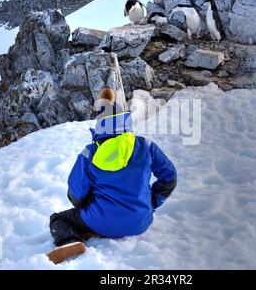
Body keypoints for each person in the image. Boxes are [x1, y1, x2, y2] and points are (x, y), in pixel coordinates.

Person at [47, 87, 177, 264]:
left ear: (100, 124)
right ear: (125, 120)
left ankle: (70, 241)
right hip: (141, 221)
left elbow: (76, 195)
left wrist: (89, 207)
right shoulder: (145, 145)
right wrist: (152, 202)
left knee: (59, 219)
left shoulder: (89, 153)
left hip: (100, 221)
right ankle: (98, 227)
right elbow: (169, 177)